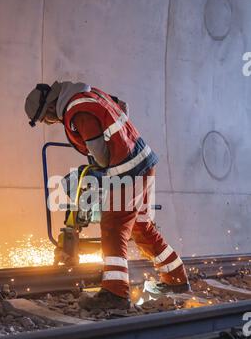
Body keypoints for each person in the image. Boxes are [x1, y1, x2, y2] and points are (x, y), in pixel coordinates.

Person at [25, 81, 191, 309]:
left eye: (47, 119)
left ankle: (115, 294)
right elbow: (122, 106)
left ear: (50, 108)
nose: (50, 122)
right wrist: (119, 141)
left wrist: (103, 163)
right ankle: (176, 279)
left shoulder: (77, 112)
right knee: (140, 224)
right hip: (144, 160)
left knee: (114, 226)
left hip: (128, 169)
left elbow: (102, 157)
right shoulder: (88, 94)